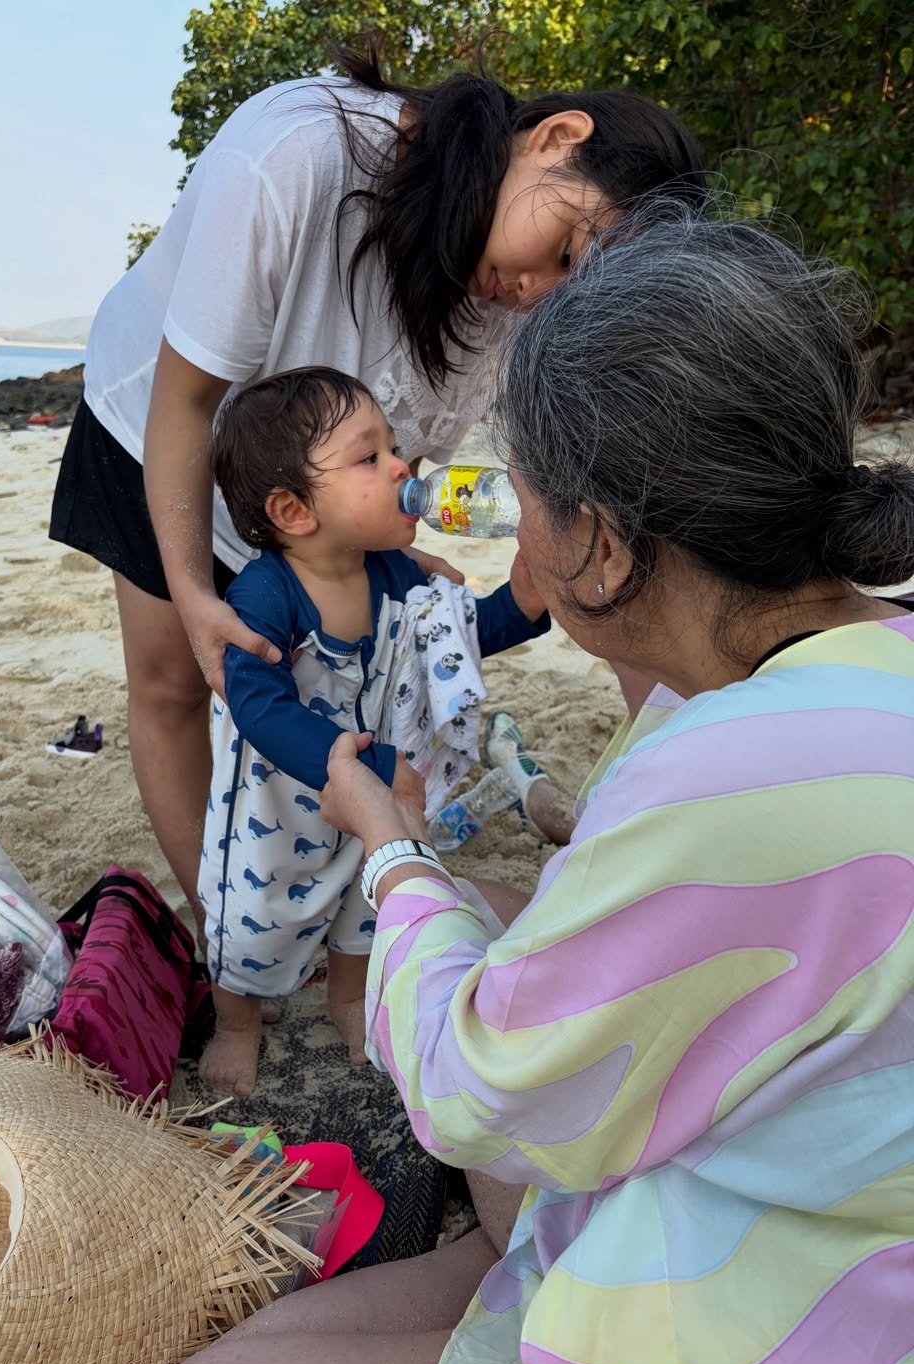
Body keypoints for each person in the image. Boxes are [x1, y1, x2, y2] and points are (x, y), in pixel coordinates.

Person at [106, 211, 914, 1364]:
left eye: (523, 500)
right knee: (366, 930)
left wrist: (391, 845)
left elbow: (475, 1089)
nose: (464, 515)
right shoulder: (843, 670)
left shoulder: (720, 774)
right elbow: (270, 699)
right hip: (815, 1232)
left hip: (771, 1361)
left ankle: (523, 1303)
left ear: (595, 545)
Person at [49, 42, 705, 926]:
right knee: (178, 679)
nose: (536, 290)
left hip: (328, 466)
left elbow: (545, 497)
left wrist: (689, 751)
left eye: (569, 285)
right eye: (565, 246)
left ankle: (324, 911)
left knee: (334, 687)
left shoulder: (512, 294)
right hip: (165, 429)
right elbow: (189, 398)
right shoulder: (297, 156)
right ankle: (224, 941)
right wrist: (197, 592)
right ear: (556, 137)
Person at [197, 366, 549, 1096]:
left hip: (377, 784)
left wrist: (519, 600)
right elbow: (256, 705)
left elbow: (452, 640)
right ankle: (237, 1021)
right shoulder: (266, 594)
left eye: (393, 448)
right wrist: (352, 762)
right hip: (277, 804)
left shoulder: (391, 572)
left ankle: (351, 997)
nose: (401, 467)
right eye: (370, 457)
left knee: (368, 898)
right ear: (295, 510)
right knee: (253, 919)